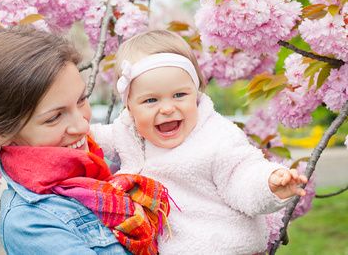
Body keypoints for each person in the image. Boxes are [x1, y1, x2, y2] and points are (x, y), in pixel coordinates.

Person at [0, 26, 170, 255]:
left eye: (81, 100)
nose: (83, 125)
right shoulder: (31, 224)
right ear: (2, 133)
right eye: (55, 117)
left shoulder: (98, 166)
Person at [90, 30, 308, 255]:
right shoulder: (127, 132)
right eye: (151, 100)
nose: (167, 108)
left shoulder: (215, 136)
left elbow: (242, 172)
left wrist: (268, 183)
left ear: (195, 93)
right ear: (130, 107)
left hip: (222, 245)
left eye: (179, 95)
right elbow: (88, 137)